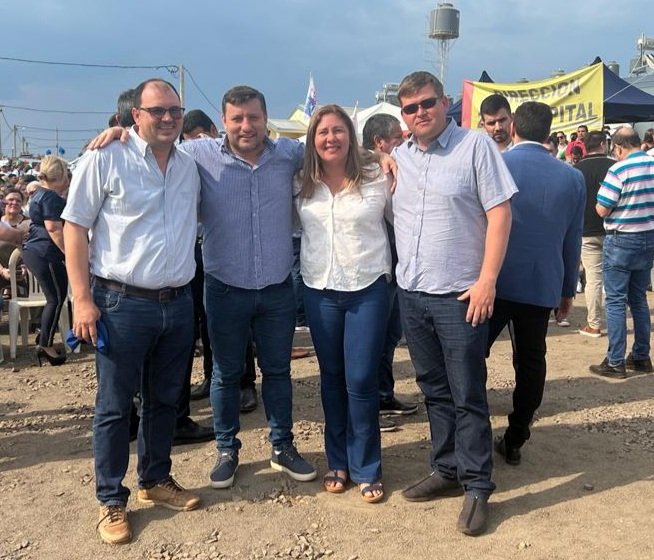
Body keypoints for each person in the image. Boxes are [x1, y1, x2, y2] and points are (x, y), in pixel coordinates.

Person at [63, 79, 201, 545]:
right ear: (135, 115)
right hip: (121, 303)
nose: (168, 118)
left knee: (164, 400)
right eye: (157, 110)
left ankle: (155, 479)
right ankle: (110, 500)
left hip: (177, 303)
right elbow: (75, 228)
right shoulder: (105, 158)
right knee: (115, 406)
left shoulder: (189, 164)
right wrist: (82, 299)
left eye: (175, 110)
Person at [393, 71, 516, 536]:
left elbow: (500, 213)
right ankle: (446, 468)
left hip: (460, 296)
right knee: (433, 389)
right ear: (403, 115)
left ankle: (478, 484)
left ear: (444, 102)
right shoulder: (401, 156)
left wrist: (488, 281)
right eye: (411, 108)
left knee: (468, 393)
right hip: (413, 294)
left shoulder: (475, 146)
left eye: (427, 103)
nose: (420, 112)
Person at [179, 86, 316, 489]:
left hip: (276, 289)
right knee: (225, 374)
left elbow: (335, 147)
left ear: (265, 118)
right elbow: (154, 148)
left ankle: (282, 447)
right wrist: (120, 134)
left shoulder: (288, 154)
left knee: (278, 371)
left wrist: (384, 158)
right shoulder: (198, 154)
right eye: (237, 118)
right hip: (225, 287)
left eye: (253, 117)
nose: (246, 126)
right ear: (223, 121)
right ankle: (227, 449)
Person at [297, 105, 391, 502]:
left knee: (362, 379)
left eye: (338, 130)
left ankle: (367, 465)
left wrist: (384, 155)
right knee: (332, 377)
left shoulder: (378, 177)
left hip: (367, 287)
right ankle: (338, 460)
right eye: (323, 132)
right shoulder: (301, 181)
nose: (330, 138)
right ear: (312, 140)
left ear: (351, 136)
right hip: (319, 289)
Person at [487, 101, 585, 466]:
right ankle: (516, 436)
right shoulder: (571, 177)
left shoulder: (497, 165)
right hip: (542, 283)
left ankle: (472, 428)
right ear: (549, 132)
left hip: (493, 281)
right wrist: (567, 289)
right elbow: (572, 239)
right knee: (531, 360)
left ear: (513, 127)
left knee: (472, 353)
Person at [183, 109, 259, 414]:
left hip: (235, 255)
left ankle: (246, 383)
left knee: (240, 324)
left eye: (199, 137)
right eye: (190, 140)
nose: (196, 144)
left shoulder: (234, 158)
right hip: (200, 250)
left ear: (214, 129)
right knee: (207, 321)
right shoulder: (193, 158)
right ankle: (211, 375)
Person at [361, 114, 417, 433]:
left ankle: (384, 395)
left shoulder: (396, 166)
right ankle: (369, 406)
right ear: (379, 142)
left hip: (397, 269)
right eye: (397, 137)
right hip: (375, 273)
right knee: (372, 339)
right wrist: (377, 157)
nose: (403, 142)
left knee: (390, 335)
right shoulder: (366, 173)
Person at [590, 127, 654, 378]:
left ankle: (615, 360)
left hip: (621, 239)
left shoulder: (618, 169)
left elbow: (602, 208)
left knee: (616, 301)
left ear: (618, 147)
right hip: (648, 236)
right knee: (638, 298)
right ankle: (641, 356)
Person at [21, 156, 70, 366]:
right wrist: (70, 253)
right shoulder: (51, 197)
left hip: (34, 251)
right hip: (46, 252)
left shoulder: (38, 194)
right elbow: (54, 228)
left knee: (54, 298)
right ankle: (45, 345)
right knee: (56, 298)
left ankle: (44, 337)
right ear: (61, 176)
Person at [575, 131, 614, 338]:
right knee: (617, 278)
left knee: (593, 279)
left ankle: (594, 323)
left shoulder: (577, 169)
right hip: (613, 229)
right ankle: (616, 321)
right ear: (602, 144)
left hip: (586, 230)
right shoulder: (614, 167)